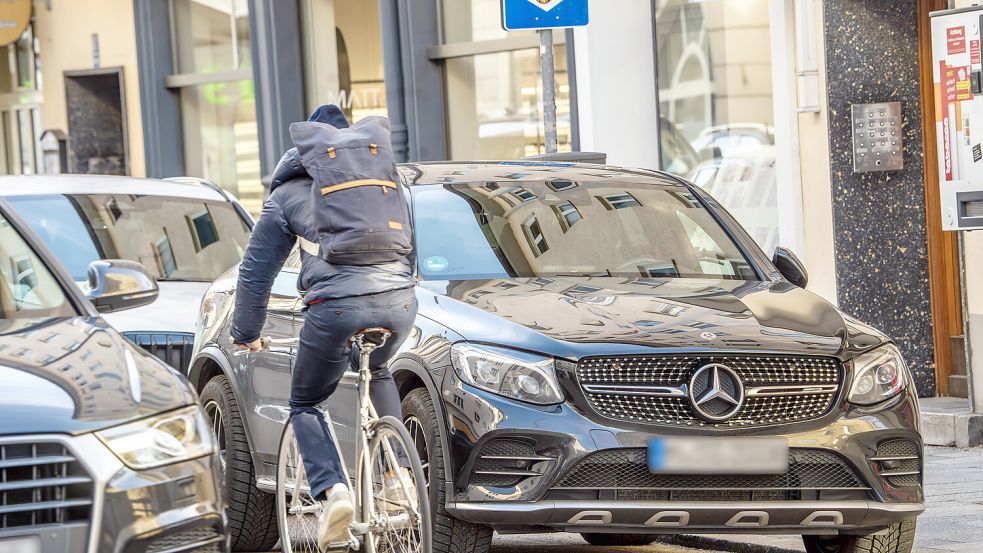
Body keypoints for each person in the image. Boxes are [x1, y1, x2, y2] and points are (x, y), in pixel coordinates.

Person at [230, 105, 417, 549]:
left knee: (306, 401)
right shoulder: (385, 184)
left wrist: (247, 332)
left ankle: (334, 493)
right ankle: (400, 477)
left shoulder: (287, 195)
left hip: (335, 309)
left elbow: (256, 273)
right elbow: (410, 251)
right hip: (399, 304)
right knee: (380, 370)